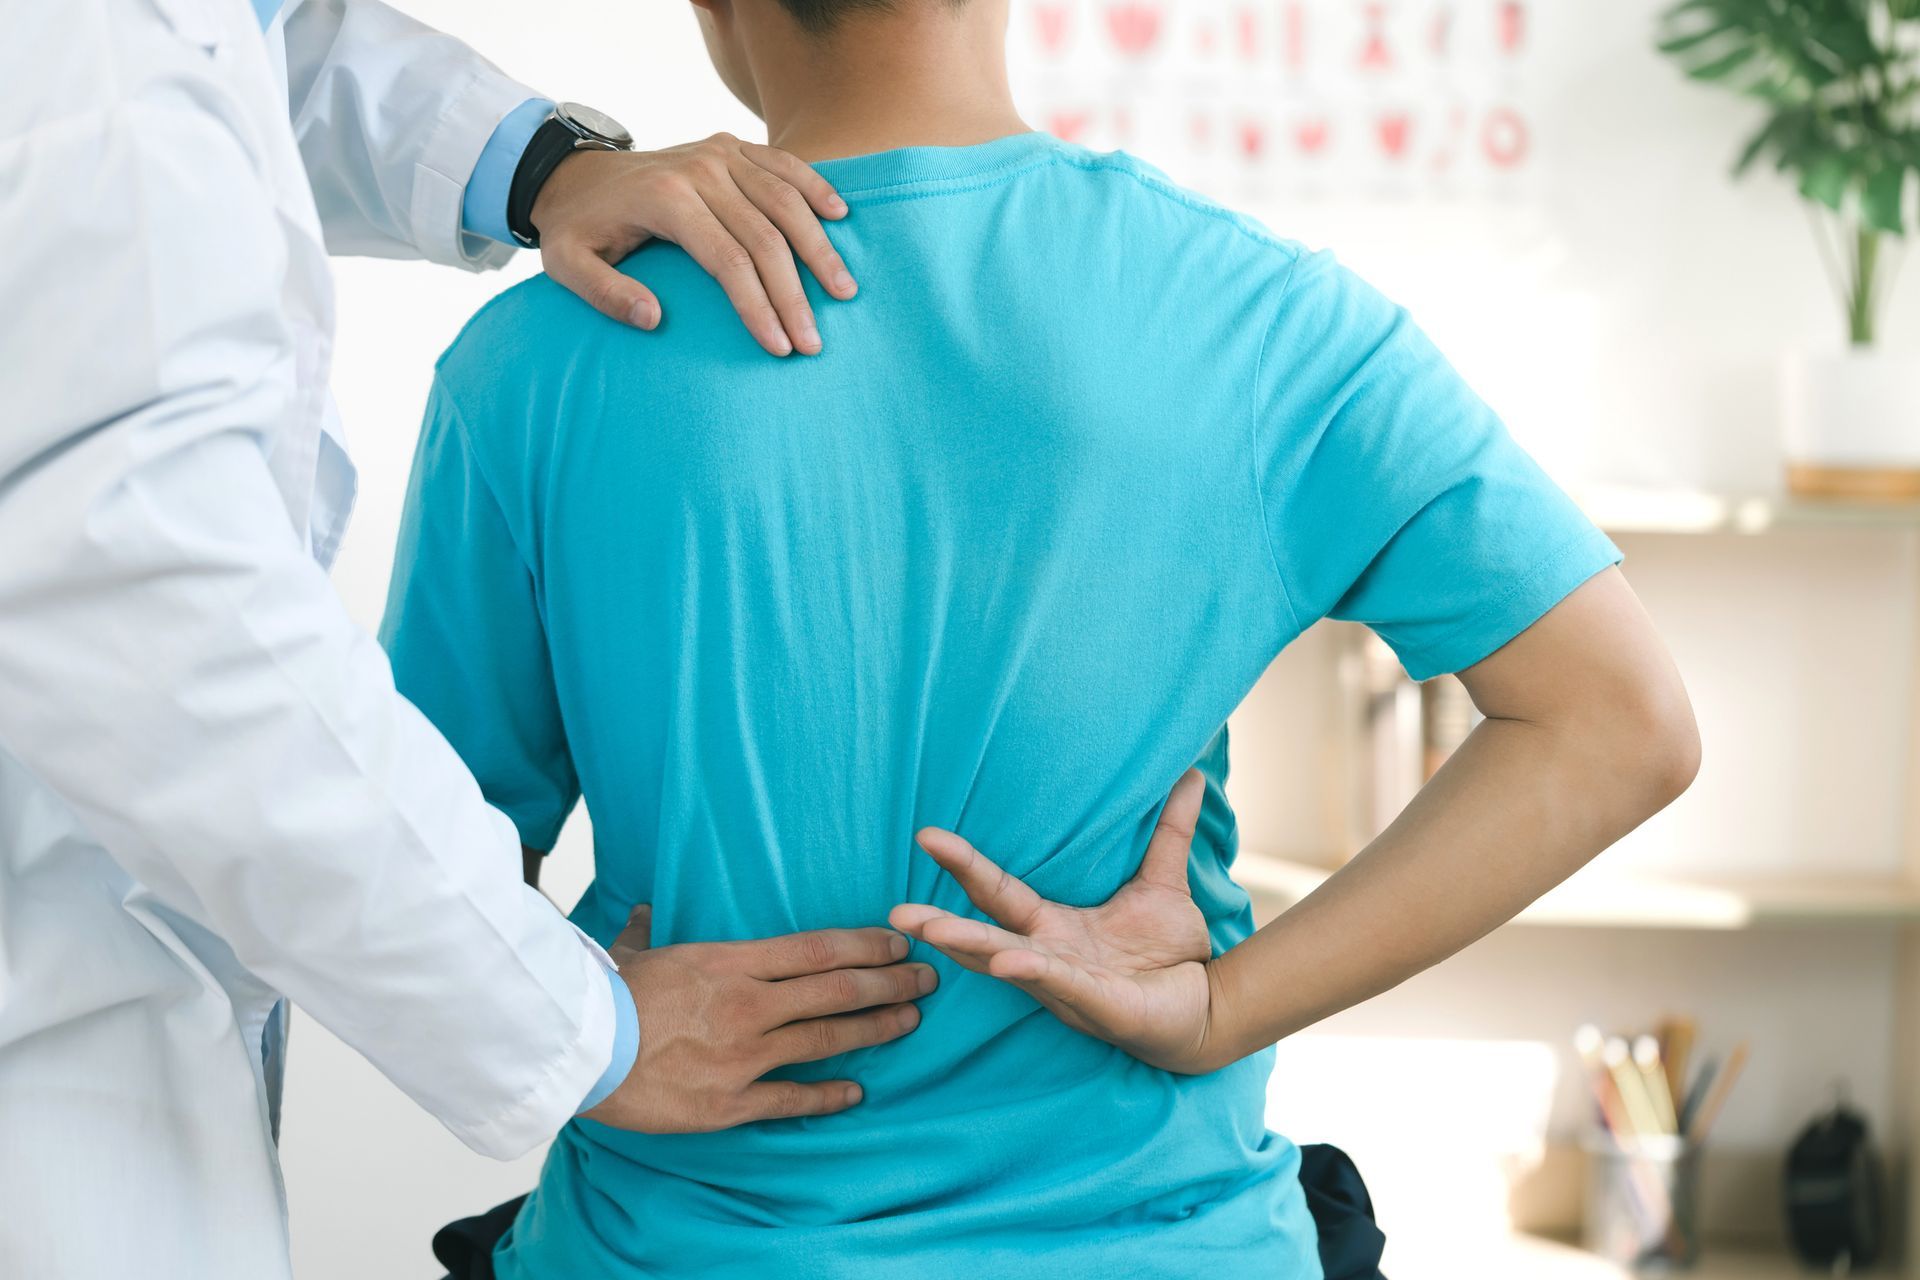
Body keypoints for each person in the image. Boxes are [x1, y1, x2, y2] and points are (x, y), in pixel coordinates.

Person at [381, 0, 1701, 1275]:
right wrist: (1220, 1008)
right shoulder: (1265, 315)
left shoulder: (532, 357)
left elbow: (408, 862)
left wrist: (585, 1032)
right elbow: (1620, 724)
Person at [0, 3, 944, 1277]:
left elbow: (253, 40)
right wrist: (577, 1023)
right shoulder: (1219, 300)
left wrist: (540, 163)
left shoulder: (539, 364)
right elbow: (166, 624)